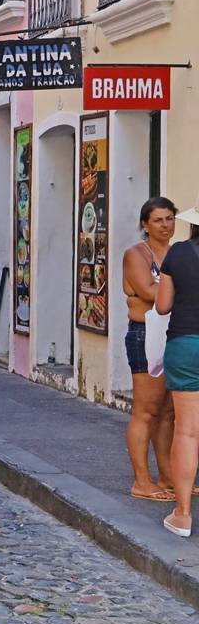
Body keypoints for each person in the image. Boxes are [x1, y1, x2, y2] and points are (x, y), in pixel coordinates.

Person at [123, 197, 178, 501]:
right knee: (146, 409)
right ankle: (141, 480)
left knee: (169, 411)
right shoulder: (136, 254)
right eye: (158, 220)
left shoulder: (178, 252)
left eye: (170, 218)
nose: (165, 225)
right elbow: (148, 292)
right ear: (145, 224)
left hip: (175, 333)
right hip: (145, 334)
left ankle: (168, 476)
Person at [155, 203, 199, 537]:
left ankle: (182, 515)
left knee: (187, 430)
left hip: (185, 343)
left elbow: (163, 305)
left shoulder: (178, 254)